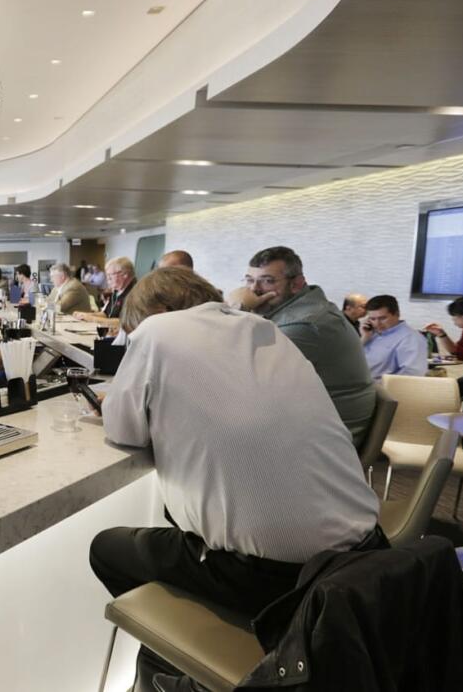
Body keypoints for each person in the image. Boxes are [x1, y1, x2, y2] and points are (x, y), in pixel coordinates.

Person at [91, 267, 385, 692]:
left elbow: (122, 429)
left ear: (156, 311)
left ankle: (177, 666)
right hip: (367, 555)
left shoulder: (158, 331)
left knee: (108, 548)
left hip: (283, 581)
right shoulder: (267, 330)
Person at [228, 246, 375, 446]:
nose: (254, 290)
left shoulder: (304, 324)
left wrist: (236, 309)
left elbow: (238, 370)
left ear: (297, 284)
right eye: (250, 280)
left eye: (267, 281)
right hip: (311, 419)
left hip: (328, 438)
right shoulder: (306, 306)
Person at [361, 295, 427, 380]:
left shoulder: (411, 338)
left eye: (382, 318)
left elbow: (412, 375)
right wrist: (364, 338)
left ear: (397, 314)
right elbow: (350, 361)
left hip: (381, 390)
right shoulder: (371, 334)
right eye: (372, 319)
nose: (377, 324)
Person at [424, 296, 463, 403]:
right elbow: (458, 351)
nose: (453, 320)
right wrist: (441, 334)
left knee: (453, 388)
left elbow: (462, 355)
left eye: (454, 317)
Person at [75, 257, 135, 325]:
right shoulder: (117, 291)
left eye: (110, 275)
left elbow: (123, 322)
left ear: (125, 274)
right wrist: (85, 315)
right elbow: (105, 314)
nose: (108, 279)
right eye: (107, 275)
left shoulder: (135, 294)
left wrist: (92, 319)